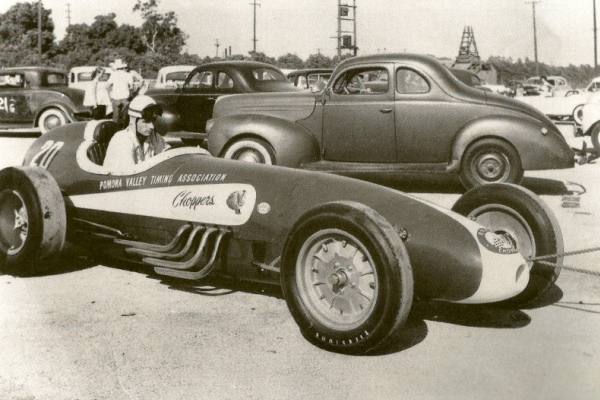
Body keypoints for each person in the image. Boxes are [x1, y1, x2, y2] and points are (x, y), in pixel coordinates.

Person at [103, 95, 167, 171]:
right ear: (133, 122)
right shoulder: (122, 141)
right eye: (146, 121)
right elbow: (129, 176)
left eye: (153, 120)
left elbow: (167, 155)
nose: (152, 126)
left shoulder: (153, 137)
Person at [106, 59, 134, 126]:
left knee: (116, 117)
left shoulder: (113, 74)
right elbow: (131, 86)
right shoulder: (128, 75)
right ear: (123, 67)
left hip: (116, 98)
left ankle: (115, 130)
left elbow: (107, 86)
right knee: (125, 117)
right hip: (125, 97)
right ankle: (124, 129)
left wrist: (110, 94)